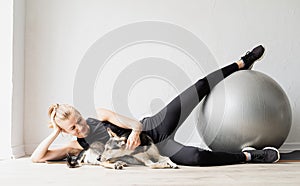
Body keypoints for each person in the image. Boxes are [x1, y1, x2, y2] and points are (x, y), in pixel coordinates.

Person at [31, 45, 280, 166]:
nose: (80, 127)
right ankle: (250, 156)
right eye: (72, 128)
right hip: (157, 148)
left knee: (199, 86)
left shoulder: (101, 114)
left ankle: (241, 62)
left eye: (79, 120)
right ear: (66, 131)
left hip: (154, 125)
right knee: (194, 157)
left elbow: (134, 124)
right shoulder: (75, 145)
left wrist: (136, 131)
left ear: (79, 113)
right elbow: (36, 159)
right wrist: (55, 131)